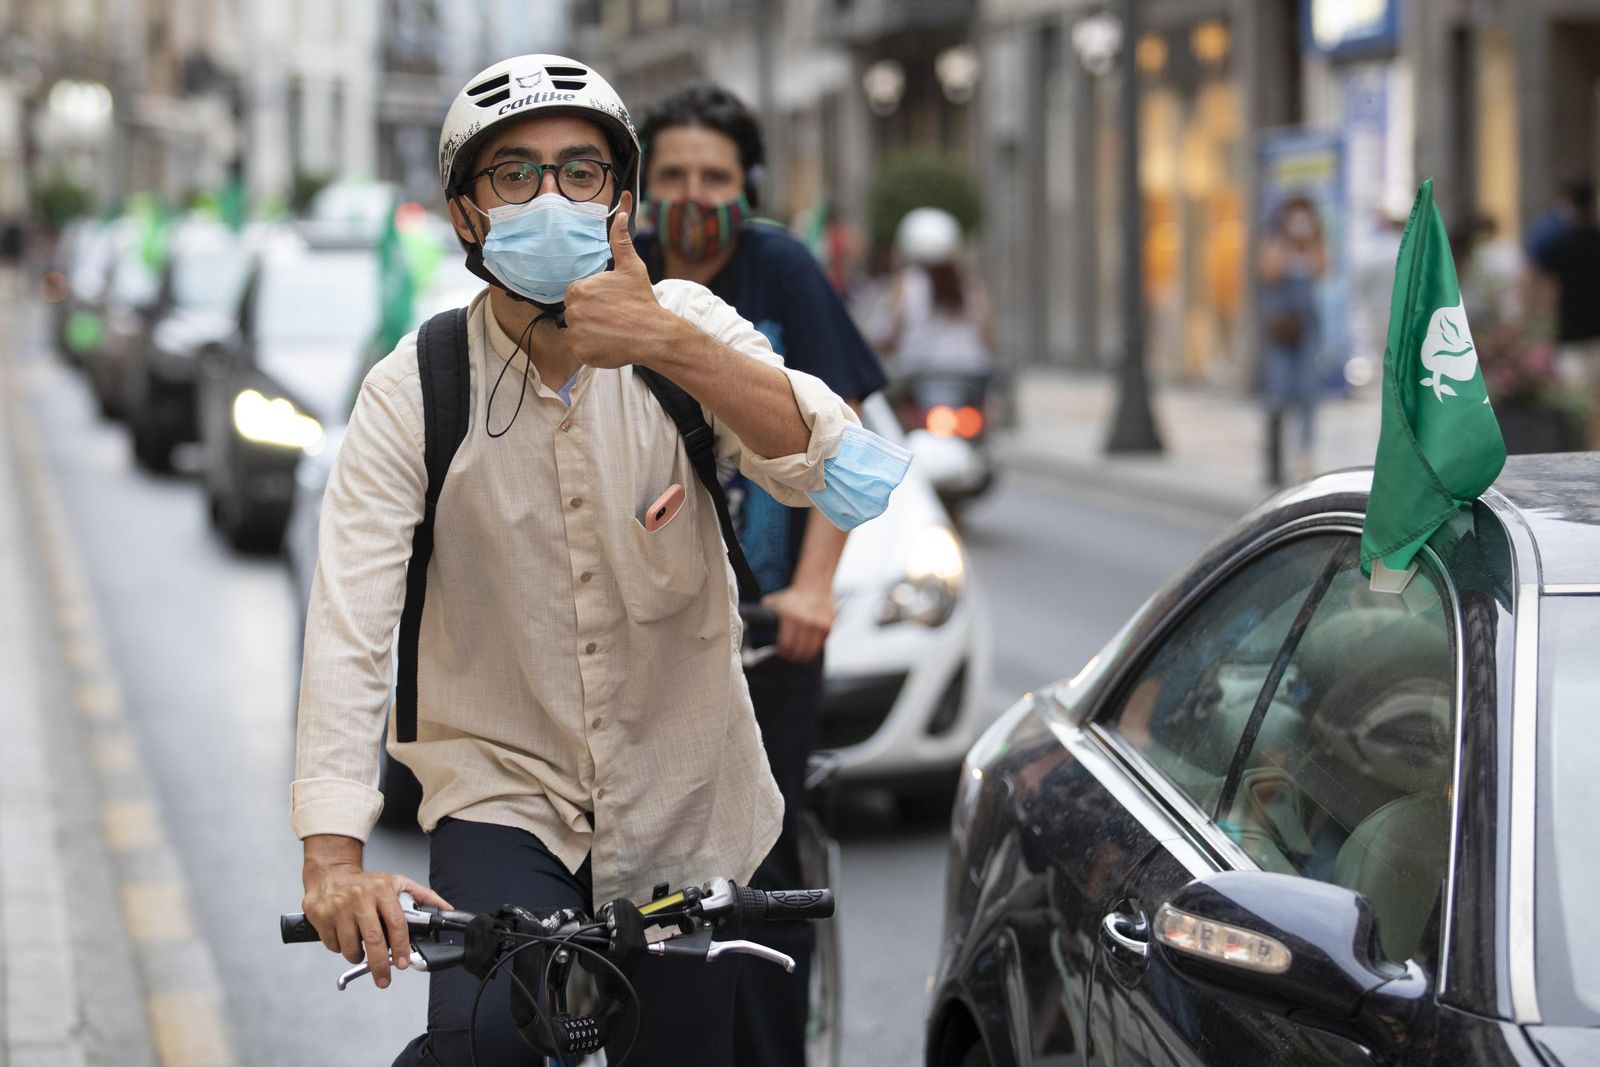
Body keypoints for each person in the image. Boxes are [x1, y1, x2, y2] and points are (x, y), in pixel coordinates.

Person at [292, 54, 908, 1066]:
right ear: (465, 212)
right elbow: (350, 622)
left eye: (580, 171)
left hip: (689, 796)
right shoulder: (414, 389)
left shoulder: (687, 327)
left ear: (620, 199)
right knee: (484, 1042)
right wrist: (331, 853)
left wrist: (665, 342)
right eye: (515, 174)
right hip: (504, 792)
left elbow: (845, 476)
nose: (551, 198)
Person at [634, 83, 888, 1066]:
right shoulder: (619, 273)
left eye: (714, 175)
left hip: (766, 623)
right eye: (673, 175)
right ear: (642, 188)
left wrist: (813, 588)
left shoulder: (780, 270)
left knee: (760, 865)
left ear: (747, 185)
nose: (693, 194)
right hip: (645, 629)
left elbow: (843, 439)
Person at [1256, 195, 1327, 486]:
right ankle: (1274, 459)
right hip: (1280, 328)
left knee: (1308, 391)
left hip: (1307, 326)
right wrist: (1288, 245)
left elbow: (1323, 269)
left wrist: (1308, 243)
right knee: (1279, 390)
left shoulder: (1315, 243)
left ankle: (1304, 456)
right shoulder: (1274, 242)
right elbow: (1269, 271)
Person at [876, 206, 994, 378]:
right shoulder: (969, 283)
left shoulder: (905, 284)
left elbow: (891, 333)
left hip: (918, 374)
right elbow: (988, 335)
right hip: (971, 372)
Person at [1532, 178, 1600, 445]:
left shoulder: (1560, 244)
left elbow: (1551, 289)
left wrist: (1541, 321)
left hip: (1571, 332)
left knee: (1576, 403)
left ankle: (1587, 449)